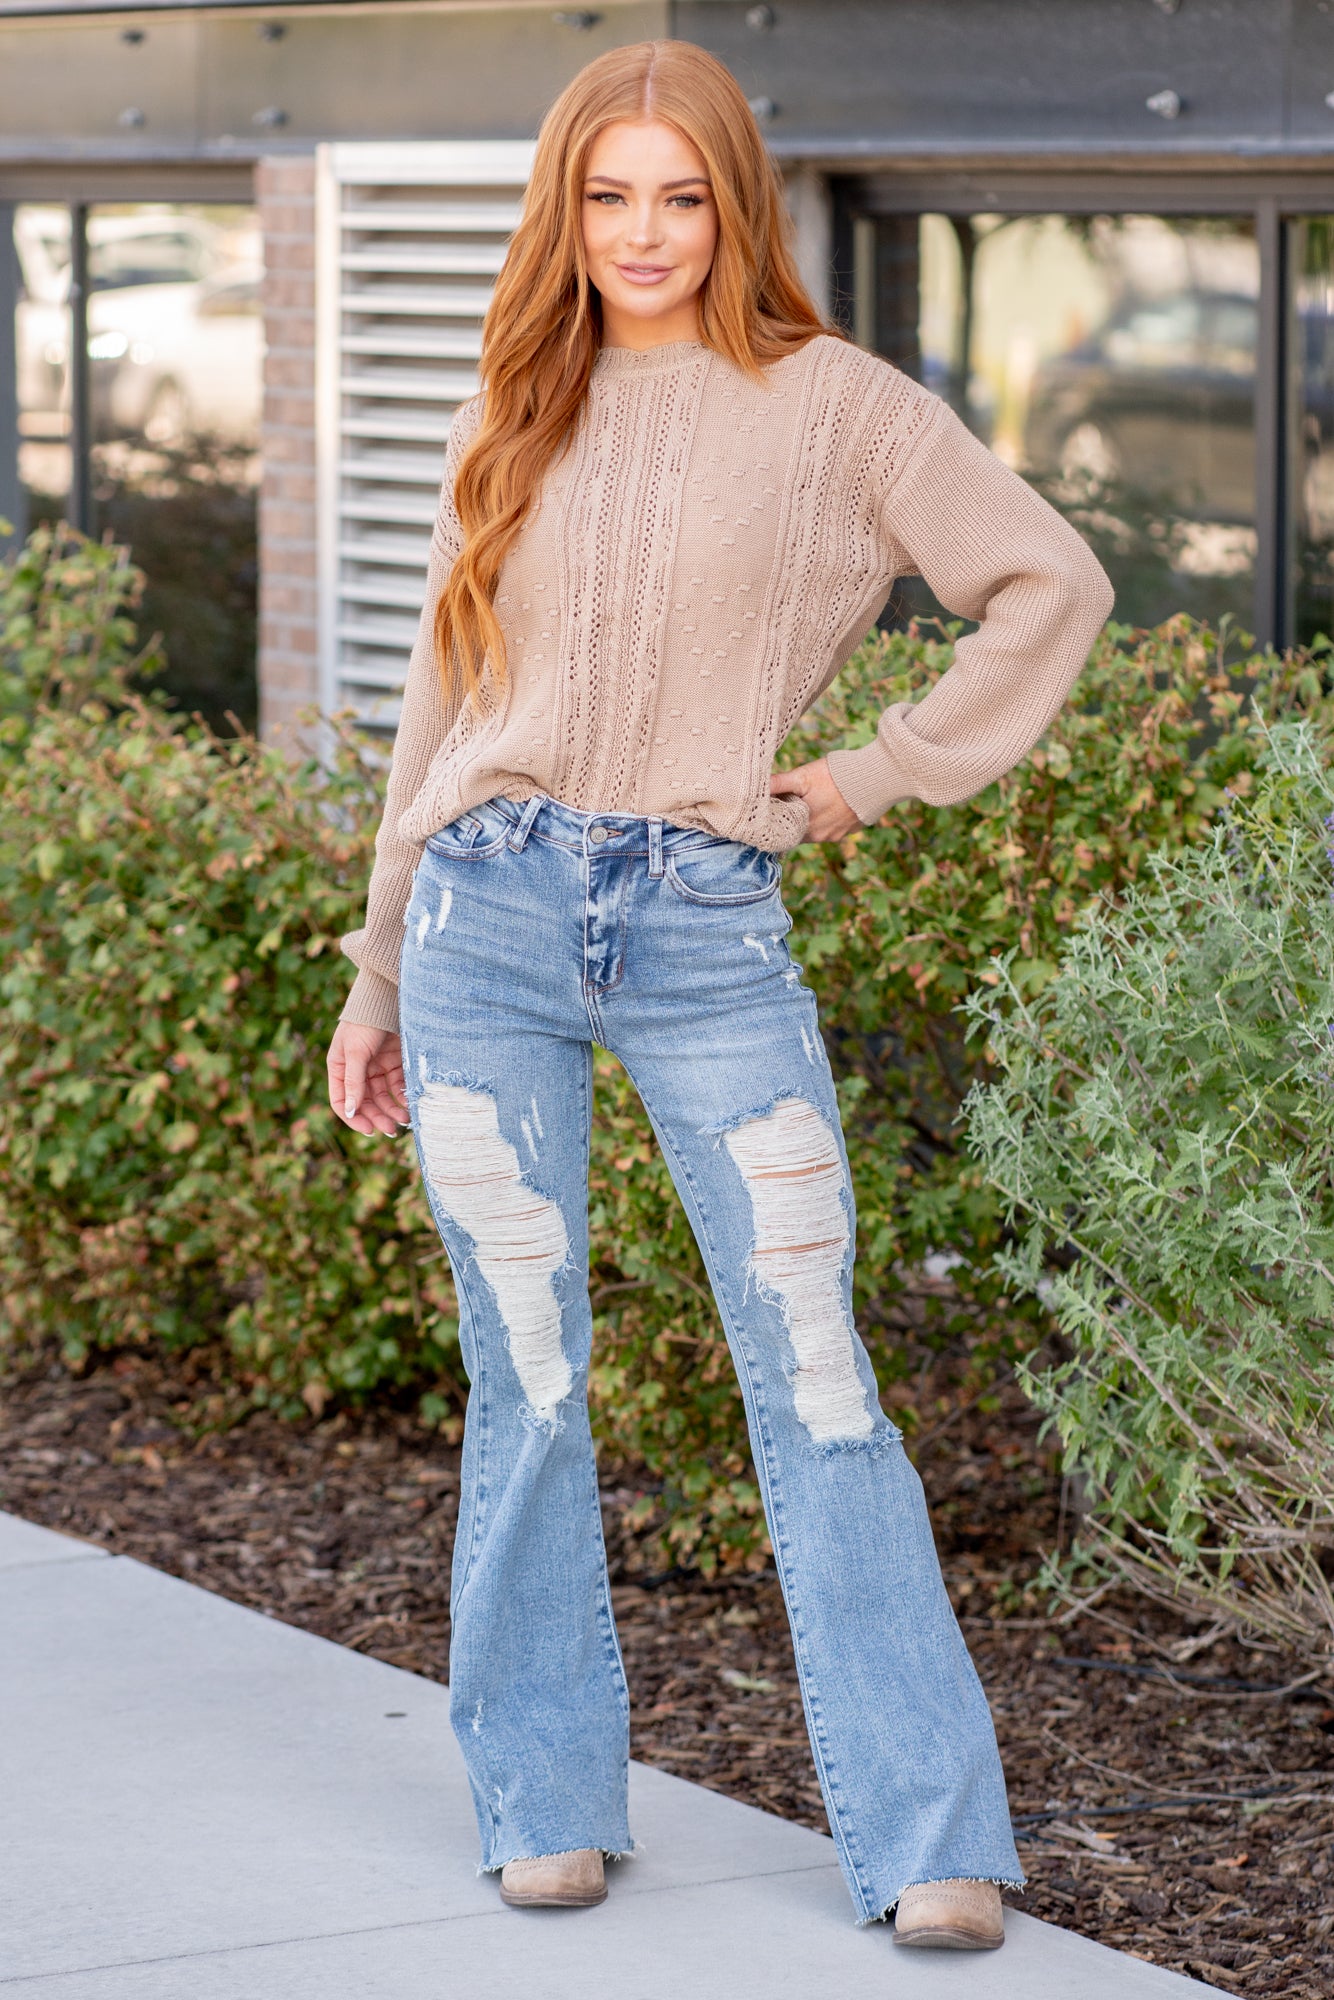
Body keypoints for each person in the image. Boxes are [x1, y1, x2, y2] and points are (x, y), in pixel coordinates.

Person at [326, 38, 1112, 1950]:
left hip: (701, 927)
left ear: (734, 206)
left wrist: (864, 778)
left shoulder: (837, 407)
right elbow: (444, 697)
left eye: (681, 197)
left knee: (817, 1368)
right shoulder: (513, 403)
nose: (644, 233)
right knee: (527, 1376)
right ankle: (540, 1797)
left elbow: (1049, 583)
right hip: (484, 921)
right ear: (564, 210)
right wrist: (376, 968)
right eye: (608, 196)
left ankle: (928, 1838)